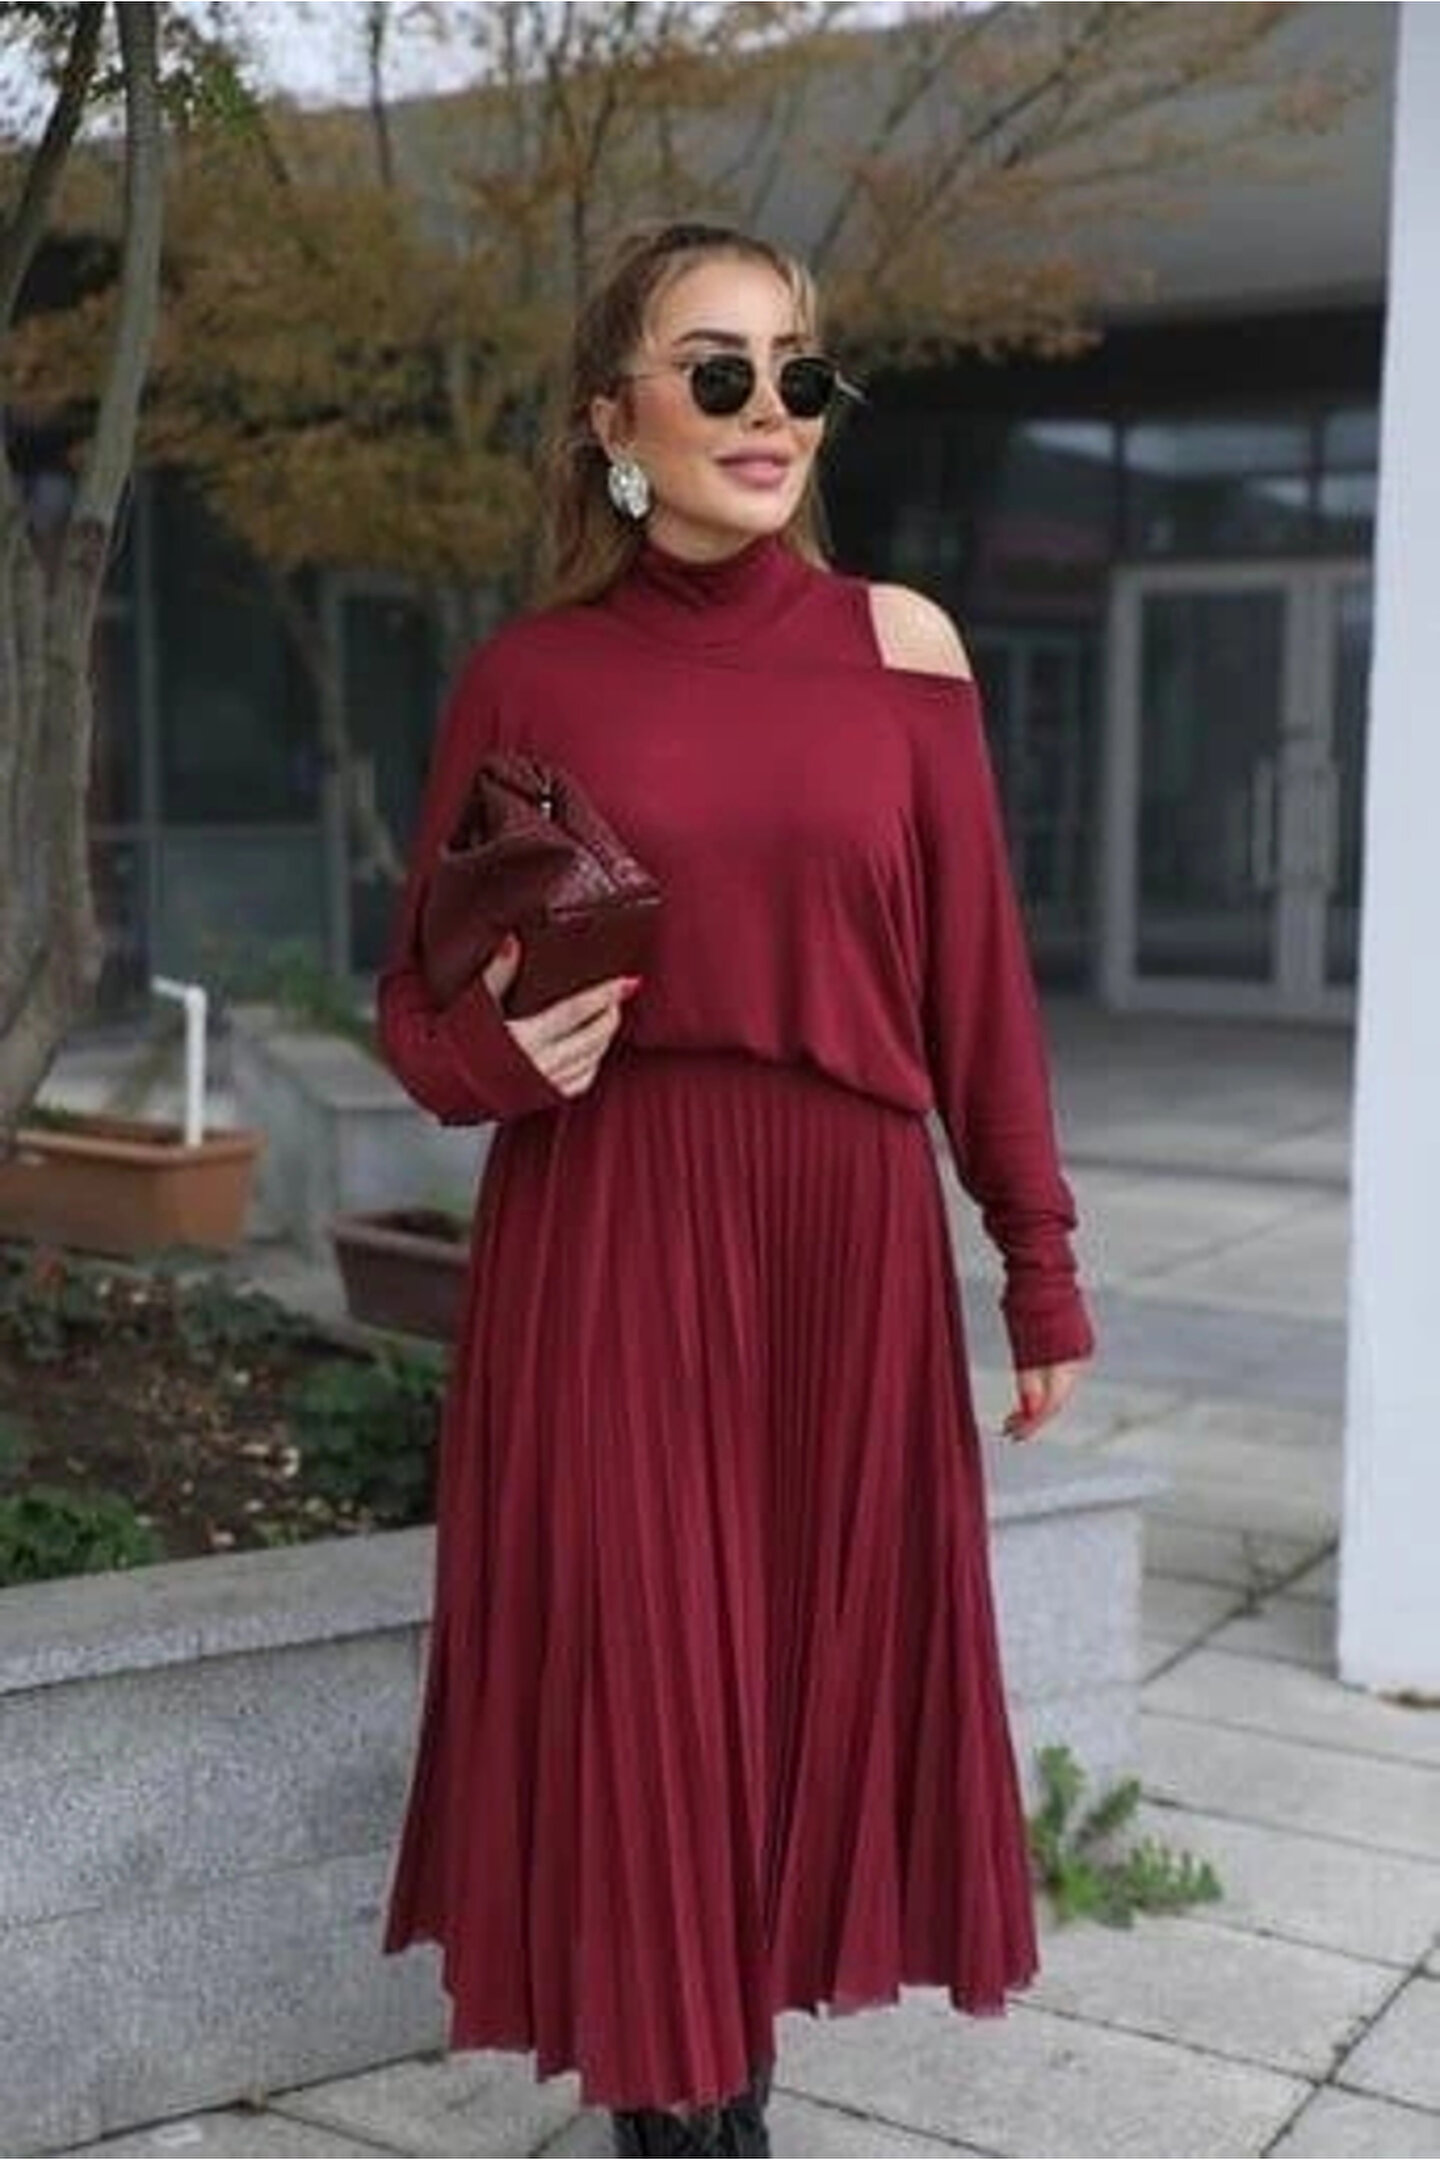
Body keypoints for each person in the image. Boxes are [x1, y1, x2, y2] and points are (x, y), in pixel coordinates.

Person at [377, 220, 1094, 2159]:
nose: (769, 409)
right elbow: (416, 1010)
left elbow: (978, 993)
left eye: (799, 371)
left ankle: (722, 2096)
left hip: (844, 1243)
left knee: (792, 1697)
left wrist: (1036, 1265)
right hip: (611, 1230)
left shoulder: (902, 649)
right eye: (717, 370)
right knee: (652, 1698)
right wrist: (501, 1060)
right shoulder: (531, 677)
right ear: (615, 418)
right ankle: (689, 2125)